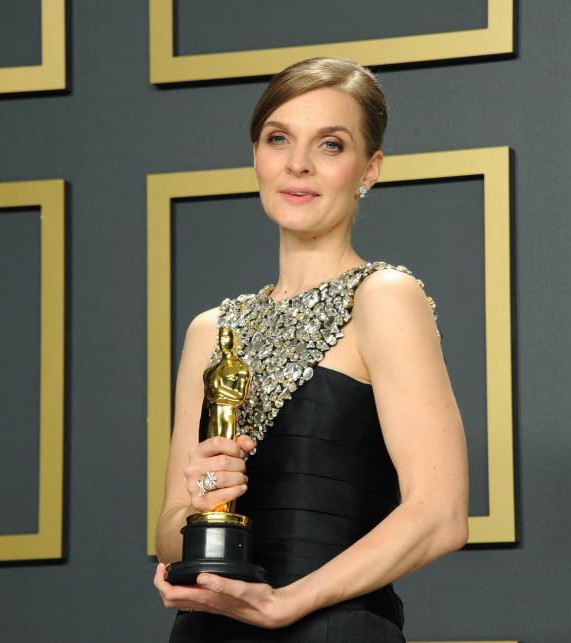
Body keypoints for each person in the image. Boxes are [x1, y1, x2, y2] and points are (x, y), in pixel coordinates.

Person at [153, 57, 469, 642]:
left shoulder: (384, 298)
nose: (297, 163)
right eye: (279, 139)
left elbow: (440, 516)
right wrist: (200, 508)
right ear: (256, 156)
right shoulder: (211, 331)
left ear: (368, 170)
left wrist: (284, 604)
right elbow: (170, 531)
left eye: (329, 144)